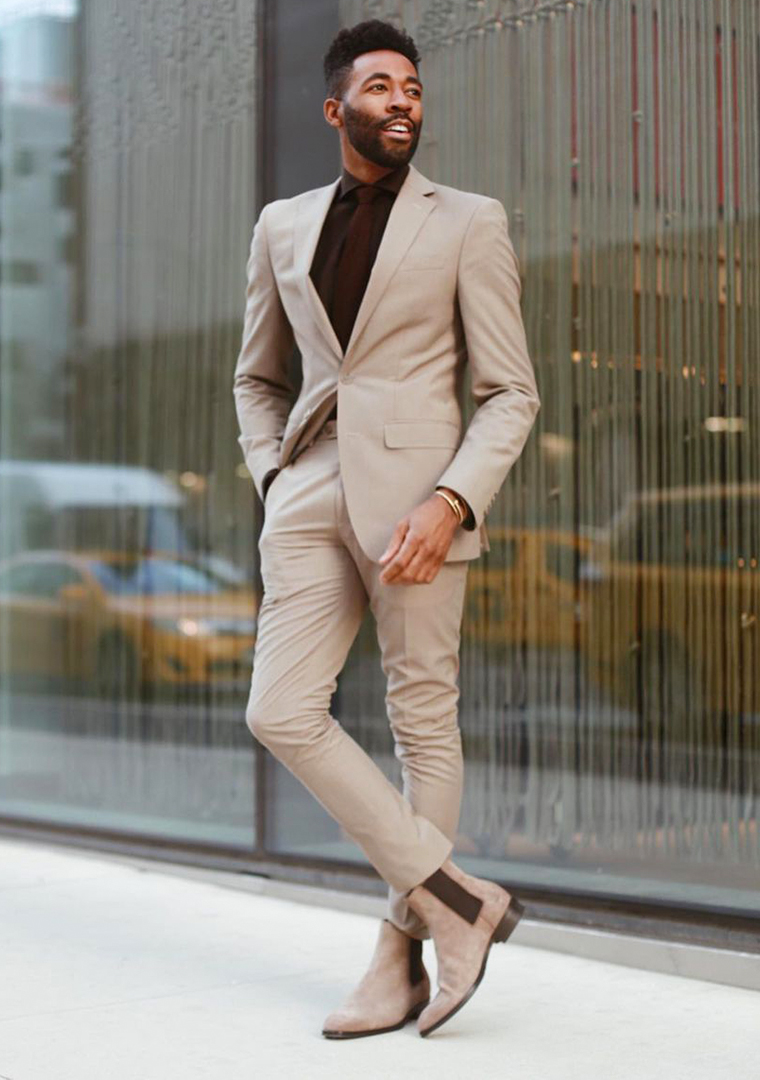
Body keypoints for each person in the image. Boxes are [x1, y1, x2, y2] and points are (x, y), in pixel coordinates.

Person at [233, 18, 540, 1039]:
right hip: (310, 487)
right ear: (337, 109)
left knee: (422, 721)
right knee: (280, 709)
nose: (402, 99)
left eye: (412, 85)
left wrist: (451, 500)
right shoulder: (282, 224)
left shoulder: (468, 221)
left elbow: (509, 393)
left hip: (421, 497)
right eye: (379, 86)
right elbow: (258, 376)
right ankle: (462, 905)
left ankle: (397, 951)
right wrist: (274, 479)